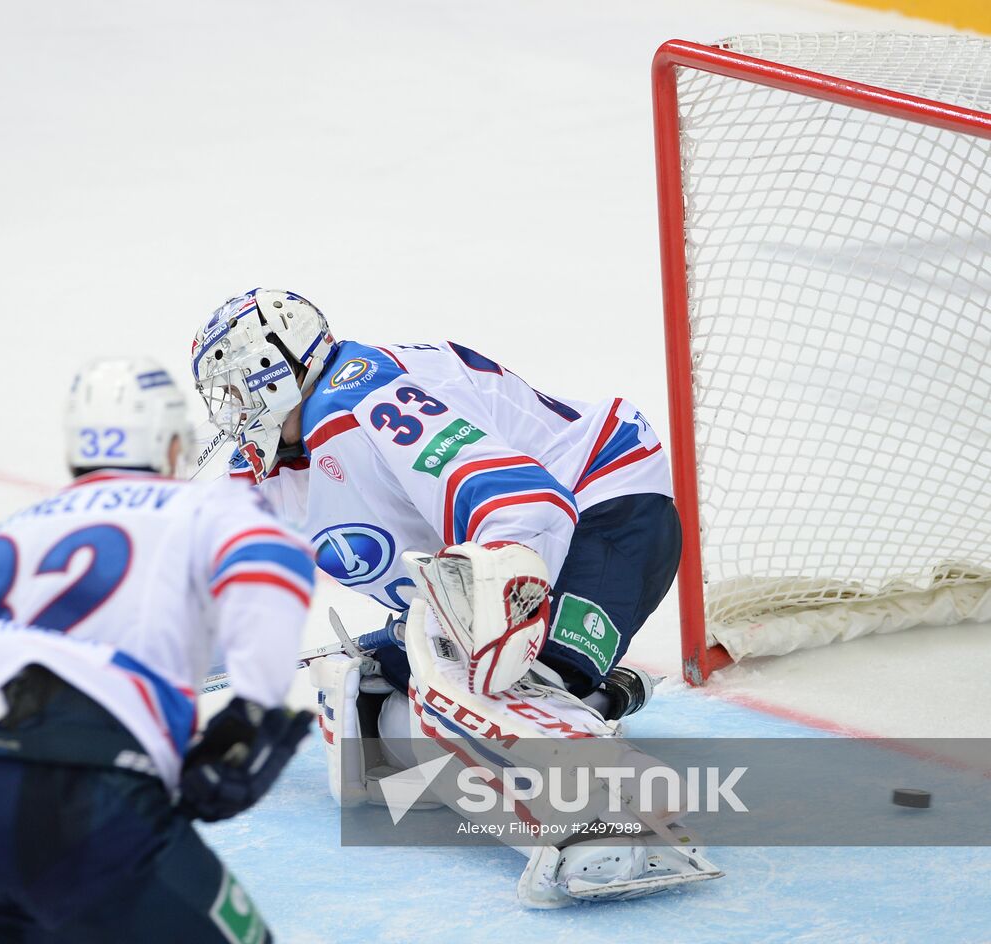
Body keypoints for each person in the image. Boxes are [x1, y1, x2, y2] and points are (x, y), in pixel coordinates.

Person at [190, 287, 721, 905]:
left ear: (278, 368)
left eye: (234, 387)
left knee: (472, 689)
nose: (228, 408)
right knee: (379, 704)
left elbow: (527, 507)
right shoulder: (266, 468)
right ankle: (581, 714)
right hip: (510, 548)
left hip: (603, 509)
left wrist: (494, 653)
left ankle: (606, 805)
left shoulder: (367, 401)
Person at [0, 357, 316, 943]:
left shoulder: (8, 530)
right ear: (172, 443)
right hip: (85, 792)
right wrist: (252, 708)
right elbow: (274, 567)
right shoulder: (203, 506)